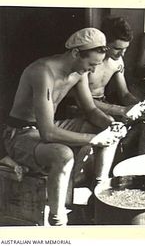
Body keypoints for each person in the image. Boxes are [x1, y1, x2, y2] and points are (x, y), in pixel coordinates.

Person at [2, 28, 126, 226]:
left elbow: (90, 110)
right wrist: (93, 139)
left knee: (108, 131)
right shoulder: (42, 72)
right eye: (91, 64)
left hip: (44, 128)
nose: (93, 70)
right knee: (63, 155)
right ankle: (58, 219)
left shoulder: (80, 71)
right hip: (20, 134)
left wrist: (111, 124)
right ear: (76, 53)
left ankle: (99, 189)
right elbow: (48, 132)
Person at [88, 17, 142, 121]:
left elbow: (124, 94)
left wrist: (138, 105)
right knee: (112, 123)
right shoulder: (89, 61)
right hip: (82, 105)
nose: (122, 54)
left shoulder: (117, 60)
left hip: (103, 103)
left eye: (125, 48)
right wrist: (123, 110)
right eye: (117, 49)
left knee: (133, 121)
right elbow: (84, 101)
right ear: (104, 43)